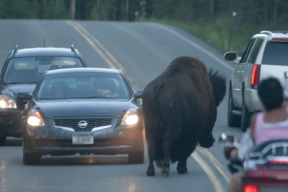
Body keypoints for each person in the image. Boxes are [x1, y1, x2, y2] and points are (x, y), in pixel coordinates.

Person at [228, 77, 288, 192]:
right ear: (282, 94)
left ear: (261, 99)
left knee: (236, 180)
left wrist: (235, 154)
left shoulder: (257, 120)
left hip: (264, 176)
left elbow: (244, 151)